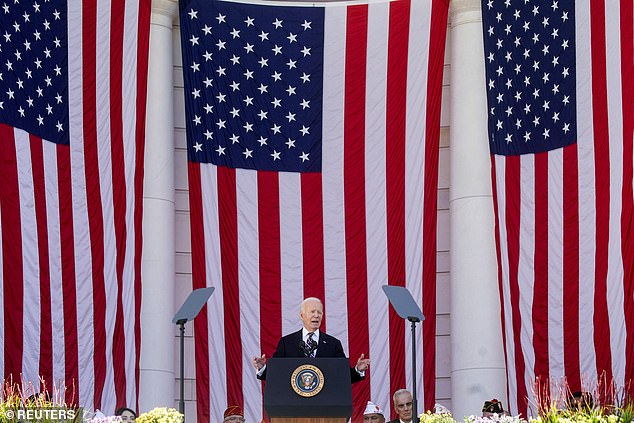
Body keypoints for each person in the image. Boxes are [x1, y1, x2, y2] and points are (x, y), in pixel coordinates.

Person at [252, 297, 370, 383]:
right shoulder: (287, 343)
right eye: (312, 312)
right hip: (293, 407)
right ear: (302, 315)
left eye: (319, 312)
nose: (316, 315)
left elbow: (343, 376)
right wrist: (263, 367)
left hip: (325, 407)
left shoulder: (333, 344)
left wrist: (357, 369)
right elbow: (275, 373)